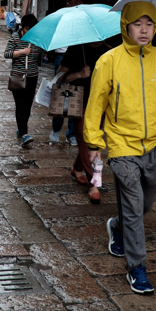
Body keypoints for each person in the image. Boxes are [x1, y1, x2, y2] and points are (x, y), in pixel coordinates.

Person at [83, 1, 156, 295]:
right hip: (121, 145)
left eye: (149, 24)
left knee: (144, 206)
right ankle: (137, 267)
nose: (144, 31)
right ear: (125, 27)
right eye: (137, 24)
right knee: (133, 206)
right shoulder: (109, 61)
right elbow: (96, 104)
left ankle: (116, 226)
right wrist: (95, 142)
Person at [56, 39, 112, 203]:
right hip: (79, 103)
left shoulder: (110, 52)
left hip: (101, 105)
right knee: (87, 140)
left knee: (88, 140)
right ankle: (94, 184)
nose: (96, 42)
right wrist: (79, 74)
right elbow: (59, 76)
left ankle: (77, 168)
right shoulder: (75, 50)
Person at [49, 0, 85, 146]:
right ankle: (56, 129)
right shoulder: (60, 18)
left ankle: (71, 133)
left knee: (75, 96)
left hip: (77, 58)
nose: (72, 5)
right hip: (61, 57)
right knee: (60, 93)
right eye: (69, 1)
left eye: (76, 2)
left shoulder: (84, 20)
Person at [4, 13, 43, 148]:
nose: (29, 32)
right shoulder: (15, 38)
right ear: (23, 27)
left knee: (27, 106)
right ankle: (25, 134)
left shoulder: (37, 39)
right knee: (20, 105)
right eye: (27, 29)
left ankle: (21, 128)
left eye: (32, 29)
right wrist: (21, 52)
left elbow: (39, 56)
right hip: (18, 77)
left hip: (32, 76)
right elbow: (7, 53)